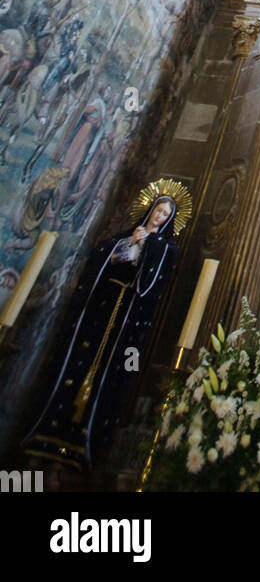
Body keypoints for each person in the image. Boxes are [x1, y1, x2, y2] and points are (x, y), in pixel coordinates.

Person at [22, 195, 180, 472]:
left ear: (170, 219)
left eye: (166, 213)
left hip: (126, 323)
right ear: (150, 210)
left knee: (107, 380)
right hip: (99, 312)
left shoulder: (165, 246)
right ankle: (40, 444)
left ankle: (75, 457)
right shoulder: (128, 234)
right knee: (71, 368)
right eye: (158, 210)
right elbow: (102, 256)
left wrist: (148, 245)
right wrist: (130, 242)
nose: (160, 216)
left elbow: (154, 282)